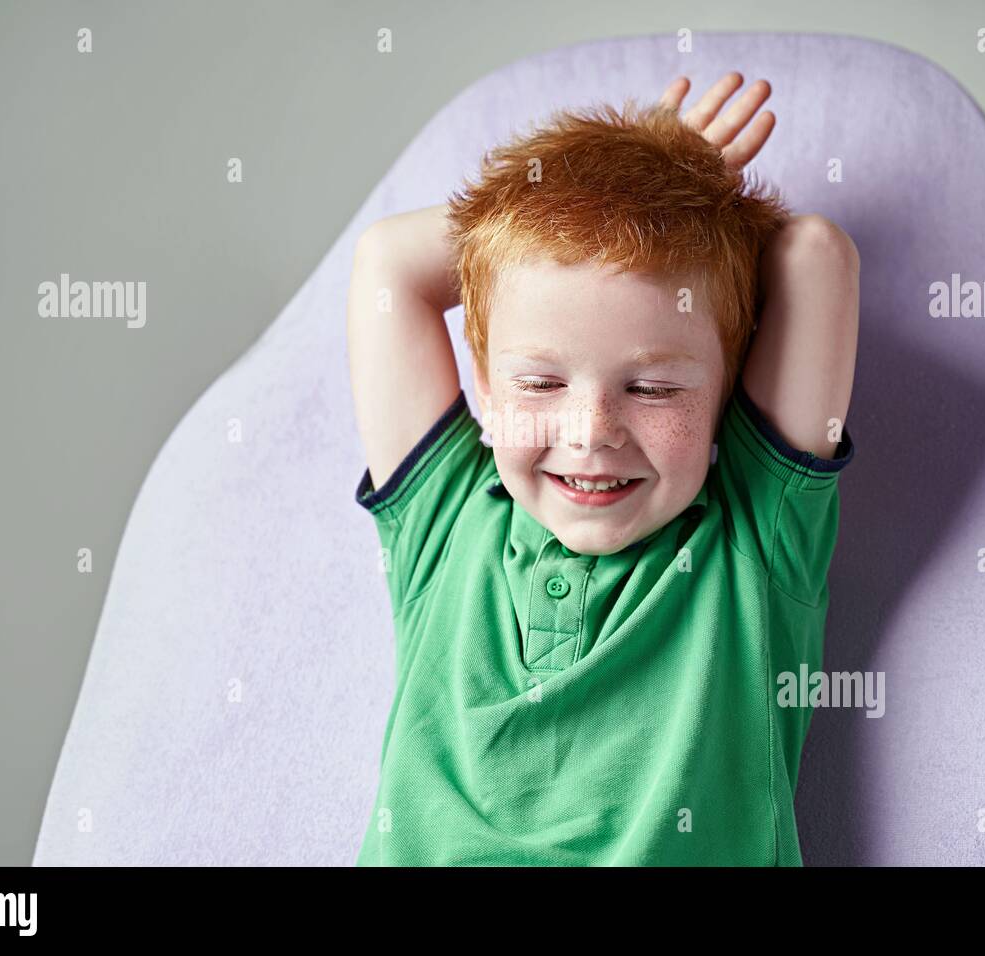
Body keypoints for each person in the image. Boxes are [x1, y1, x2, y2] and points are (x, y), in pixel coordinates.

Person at [346, 71, 859, 865]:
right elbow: (386, 266)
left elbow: (817, 257)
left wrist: (673, 191)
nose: (590, 434)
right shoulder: (444, 525)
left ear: (728, 392)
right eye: (540, 383)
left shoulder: (755, 537)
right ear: (482, 385)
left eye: (652, 388)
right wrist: (559, 203)